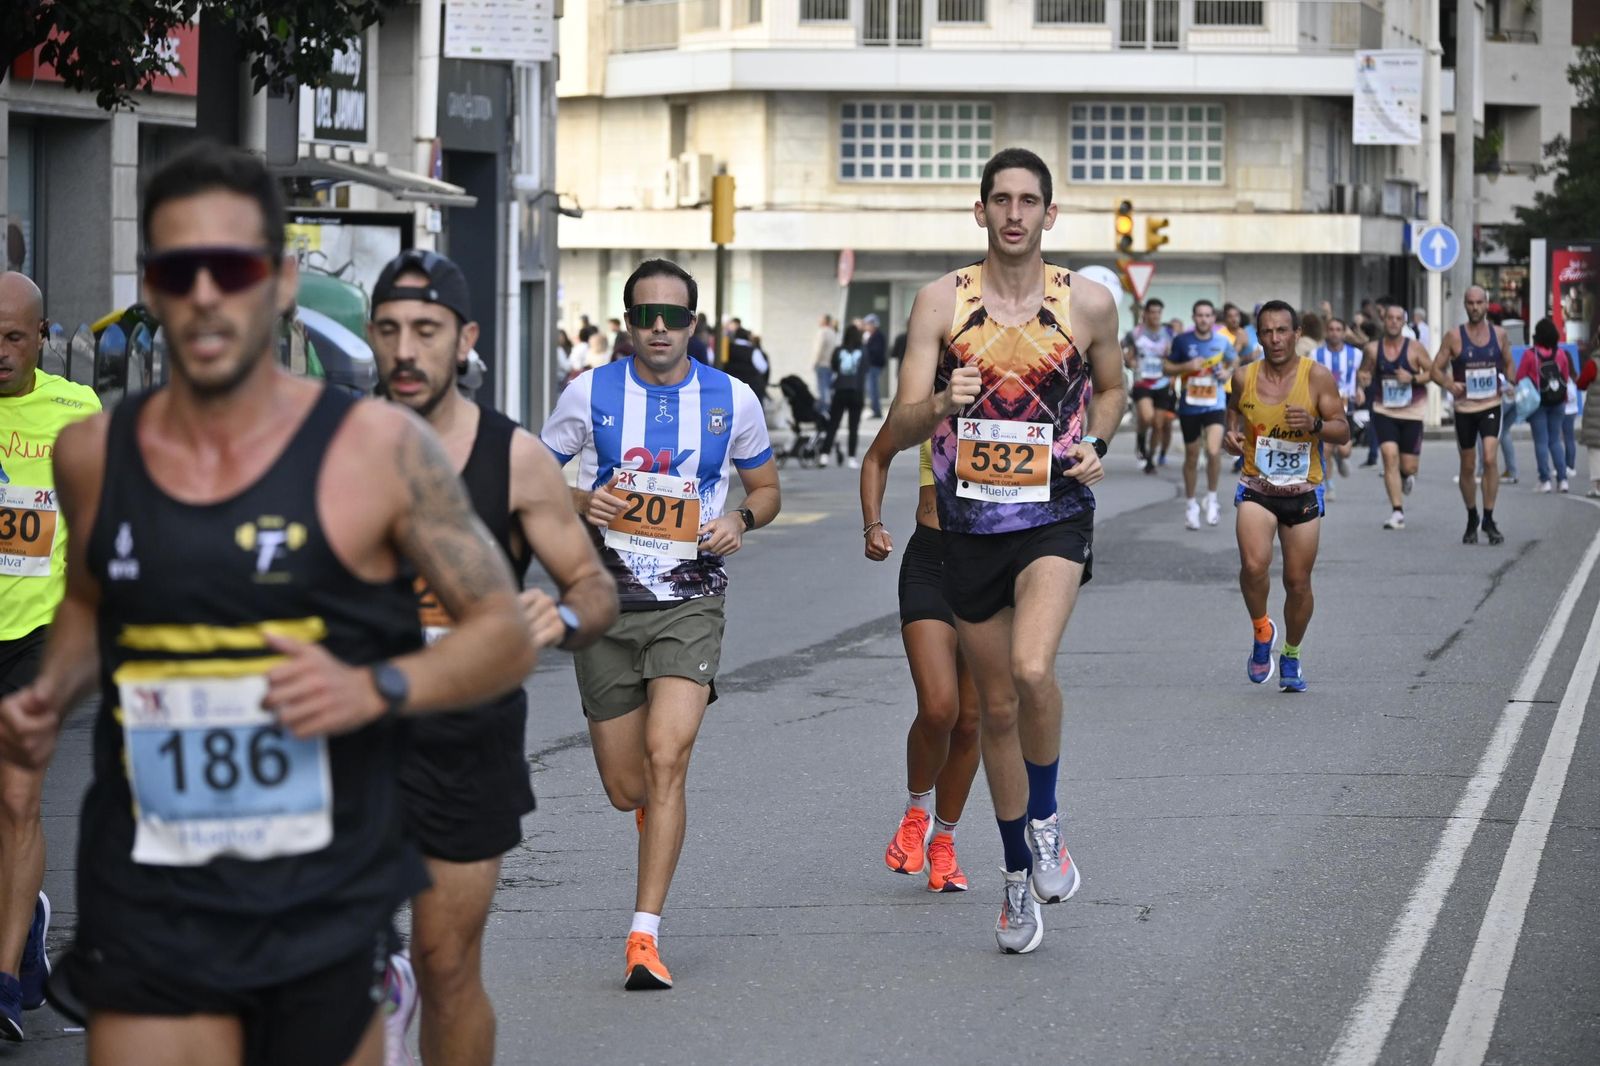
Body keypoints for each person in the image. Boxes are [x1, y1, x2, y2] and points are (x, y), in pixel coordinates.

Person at [0, 143, 536, 1066]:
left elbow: (500, 633)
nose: (206, 294)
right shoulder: (92, 454)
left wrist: (376, 691)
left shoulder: (376, 450)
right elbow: (90, 605)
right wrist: (51, 692)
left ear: (281, 280)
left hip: (318, 882)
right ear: (152, 290)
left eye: (234, 268)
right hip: (149, 866)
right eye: (177, 269)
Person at [366, 249, 619, 1066]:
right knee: (329, 968)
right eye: (390, 329)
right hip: (345, 735)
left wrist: (564, 616)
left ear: (466, 338)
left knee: (446, 964)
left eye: (427, 331)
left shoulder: (513, 458)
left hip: (463, 740)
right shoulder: (328, 445)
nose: (407, 350)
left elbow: (592, 583)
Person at [886, 148, 1124, 955]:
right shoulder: (937, 304)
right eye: (1001, 200)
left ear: (1050, 216)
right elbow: (902, 422)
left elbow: (1114, 387)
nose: (1015, 213)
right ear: (980, 211)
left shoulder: (1086, 303)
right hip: (967, 526)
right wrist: (936, 403)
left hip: (1054, 509)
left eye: (1030, 201)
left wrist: (1095, 441)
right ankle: (1017, 883)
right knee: (993, 714)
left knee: (1030, 671)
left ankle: (1048, 821)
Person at [540, 258, 780, 990]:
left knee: (667, 759)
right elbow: (536, 477)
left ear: (694, 324)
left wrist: (741, 518)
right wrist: (585, 503)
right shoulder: (590, 391)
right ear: (626, 322)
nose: (659, 329)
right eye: (645, 316)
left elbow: (766, 488)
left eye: (673, 317)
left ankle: (644, 936)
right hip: (605, 605)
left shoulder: (731, 398)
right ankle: (654, 826)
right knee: (626, 786)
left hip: (690, 599)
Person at [0, 272, 100, 1041]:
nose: (0, 352)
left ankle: (2, 984)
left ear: (42, 337)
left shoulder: (76, 411)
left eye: (12, 337)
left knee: (17, 805)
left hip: (34, 638)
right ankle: (22, 927)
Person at [859, 434, 979, 894]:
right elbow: (877, 455)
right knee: (939, 707)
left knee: (969, 721)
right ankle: (916, 812)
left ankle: (944, 844)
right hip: (933, 558)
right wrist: (872, 524)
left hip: (994, 567)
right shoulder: (937, 389)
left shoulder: (1028, 394)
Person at [1224, 301, 1348, 692]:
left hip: (1302, 491)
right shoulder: (1243, 377)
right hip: (1257, 487)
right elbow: (1233, 416)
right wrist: (1232, 438)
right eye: (1266, 331)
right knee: (1254, 566)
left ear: (1297, 334)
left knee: (1297, 582)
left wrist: (1314, 425)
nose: (1275, 339)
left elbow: (1343, 430)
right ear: (1258, 335)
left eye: (1282, 331)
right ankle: (1263, 631)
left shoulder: (1317, 378)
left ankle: (1291, 653)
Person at [1431, 285, 1514, 545]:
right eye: (1470, 303)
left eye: (1479, 303)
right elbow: (1435, 369)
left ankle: (1489, 518)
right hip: (1465, 409)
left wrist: (1511, 379)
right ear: (1465, 305)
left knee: (1489, 458)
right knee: (1467, 465)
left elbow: (1509, 362)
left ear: (1487, 304)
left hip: (1490, 405)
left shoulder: (1499, 334)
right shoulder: (1454, 336)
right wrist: (1449, 385)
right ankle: (1472, 516)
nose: (1475, 307)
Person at [1361, 303, 1432, 529]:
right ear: (1385, 321)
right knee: (1389, 456)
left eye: (1397, 318)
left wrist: (1411, 379)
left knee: (1408, 467)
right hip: (1385, 410)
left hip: (1412, 411)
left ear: (1404, 322)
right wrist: (1361, 382)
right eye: (1389, 318)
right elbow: (1364, 370)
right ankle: (1397, 511)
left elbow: (1433, 373)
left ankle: (1406, 475)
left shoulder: (1415, 348)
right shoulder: (1372, 348)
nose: (1393, 322)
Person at [1167, 299, 1236, 529]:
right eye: (1200, 315)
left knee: (1215, 450)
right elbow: (1166, 367)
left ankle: (1212, 498)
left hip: (1214, 404)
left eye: (1208, 315)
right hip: (1189, 406)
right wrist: (1185, 367)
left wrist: (1227, 371)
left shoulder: (1222, 341)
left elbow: (1234, 359)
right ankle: (1191, 504)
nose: (1204, 319)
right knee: (1192, 456)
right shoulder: (1182, 341)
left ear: (1213, 319)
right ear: (1193, 317)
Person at [1516, 317, 1574, 492]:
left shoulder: (1530, 355)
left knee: (1541, 441)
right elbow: (1565, 377)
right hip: (1558, 402)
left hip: (1538, 403)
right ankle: (1563, 479)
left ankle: (1545, 480)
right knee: (1555, 440)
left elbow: (1519, 377)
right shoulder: (1562, 354)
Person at [1310, 316, 1361, 498]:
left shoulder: (1355, 354)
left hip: (1347, 405)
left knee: (1345, 450)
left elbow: (1361, 375)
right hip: (1324, 406)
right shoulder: (1316, 355)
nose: (1334, 333)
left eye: (1338, 329)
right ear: (1326, 331)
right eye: (1331, 329)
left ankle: (1341, 458)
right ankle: (1329, 484)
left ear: (1344, 332)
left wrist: (1360, 389)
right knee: (1326, 448)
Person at [1123, 298, 1174, 475]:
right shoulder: (1135, 334)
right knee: (1147, 417)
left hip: (1162, 382)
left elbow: (1173, 356)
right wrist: (1130, 361)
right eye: (1152, 312)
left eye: (1158, 312)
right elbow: (1126, 354)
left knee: (1159, 424)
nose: (1155, 315)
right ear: (1145, 314)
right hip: (1142, 382)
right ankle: (1141, 438)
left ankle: (1150, 458)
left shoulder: (1168, 334)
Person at [820, 324, 867, 468]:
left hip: (840, 389)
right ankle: (852, 458)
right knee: (854, 427)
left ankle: (824, 455)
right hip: (857, 391)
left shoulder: (838, 350)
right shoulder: (864, 351)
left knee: (833, 424)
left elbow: (834, 366)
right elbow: (866, 368)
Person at [812, 313, 839, 413]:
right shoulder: (833, 332)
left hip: (822, 364)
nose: (819, 321)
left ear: (824, 321)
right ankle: (829, 409)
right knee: (828, 387)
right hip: (830, 364)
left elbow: (819, 349)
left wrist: (815, 362)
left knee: (822, 388)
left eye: (820, 319)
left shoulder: (822, 332)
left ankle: (823, 409)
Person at [863, 313, 887, 418]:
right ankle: (875, 410)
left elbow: (876, 351)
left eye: (868, 324)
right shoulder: (872, 336)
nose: (866, 326)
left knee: (873, 389)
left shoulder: (878, 336)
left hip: (874, 366)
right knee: (871, 389)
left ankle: (876, 411)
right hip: (872, 366)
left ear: (873, 324)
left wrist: (866, 346)